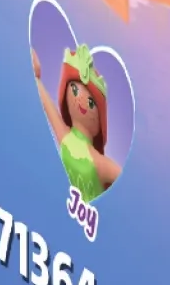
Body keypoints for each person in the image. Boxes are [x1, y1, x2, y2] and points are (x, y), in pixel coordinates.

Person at [31, 42, 121, 199]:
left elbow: (127, 181)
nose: (80, 100)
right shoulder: (66, 137)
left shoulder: (99, 162)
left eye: (91, 103)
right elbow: (47, 105)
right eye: (74, 90)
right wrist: (35, 75)